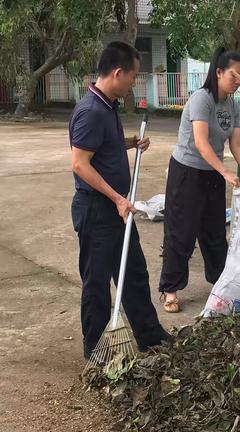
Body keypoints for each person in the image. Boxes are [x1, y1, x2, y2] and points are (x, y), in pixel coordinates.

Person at [69, 41, 170, 359]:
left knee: (133, 272)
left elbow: (102, 147)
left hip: (115, 207)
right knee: (97, 282)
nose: (134, 83)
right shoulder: (90, 111)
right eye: (134, 76)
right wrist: (116, 198)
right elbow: (79, 164)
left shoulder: (107, 106)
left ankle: (149, 336)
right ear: (117, 73)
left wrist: (129, 142)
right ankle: (95, 351)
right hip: (98, 208)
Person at [159, 47, 240, 313]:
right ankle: (170, 289)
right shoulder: (202, 100)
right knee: (182, 232)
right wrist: (225, 172)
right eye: (234, 76)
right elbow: (202, 144)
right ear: (218, 72)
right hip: (187, 171)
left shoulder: (232, 105)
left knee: (214, 232)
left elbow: (236, 143)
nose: (238, 81)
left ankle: (221, 284)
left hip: (212, 174)